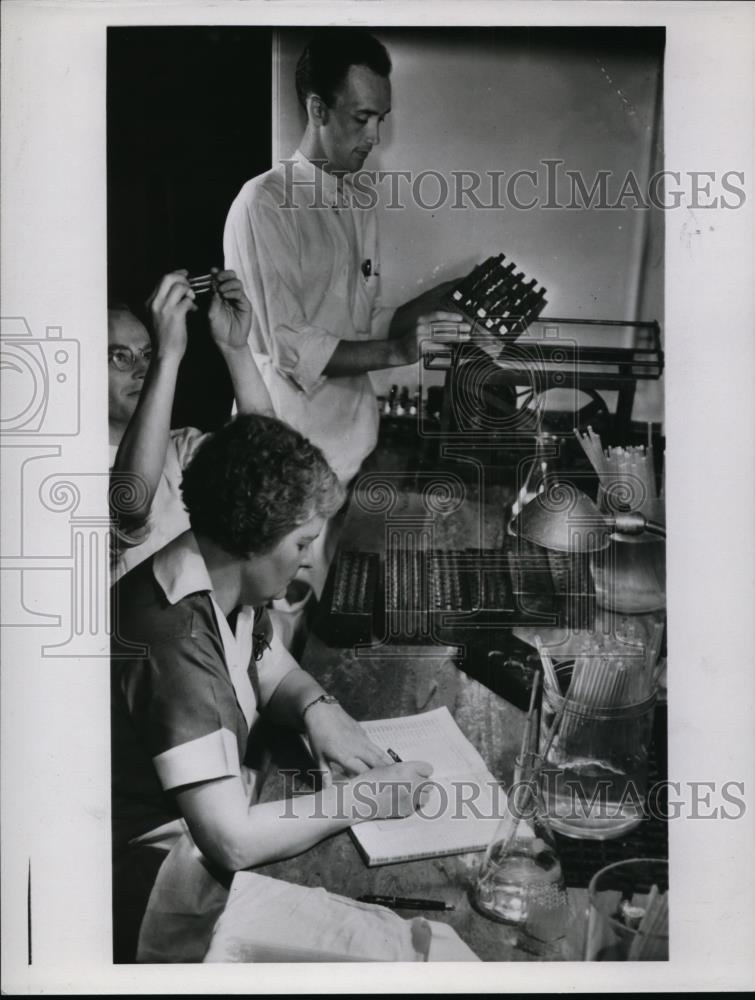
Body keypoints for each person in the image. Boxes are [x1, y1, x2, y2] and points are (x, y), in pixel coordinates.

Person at [110, 413, 433, 962]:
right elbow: (232, 840)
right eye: (303, 542)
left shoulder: (216, 574)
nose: (310, 558)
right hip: (147, 876)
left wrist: (316, 706)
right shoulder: (175, 640)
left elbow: (271, 667)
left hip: (206, 816)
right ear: (253, 541)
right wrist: (365, 798)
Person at [223, 28, 469, 488]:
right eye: (362, 118)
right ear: (318, 109)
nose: (375, 135)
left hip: (353, 446)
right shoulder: (264, 203)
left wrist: (440, 298)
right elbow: (290, 346)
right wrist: (398, 351)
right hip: (284, 456)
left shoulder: (357, 202)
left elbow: (363, 321)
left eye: (381, 118)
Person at [108, 268, 274, 579]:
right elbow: (132, 503)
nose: (142, 369)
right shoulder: (71, 468)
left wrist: (235, 348)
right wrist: (166, 356)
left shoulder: (179, 447)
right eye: (119, 356)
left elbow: (267, 458)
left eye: (146, 353)